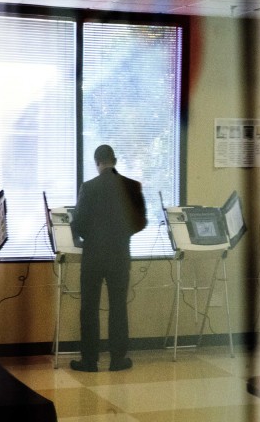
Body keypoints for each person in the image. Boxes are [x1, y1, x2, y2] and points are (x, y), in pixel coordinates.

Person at [70, 145, 147, 372]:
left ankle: (89, 361)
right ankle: (117, 359)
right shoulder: (132, 186)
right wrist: (122, 234)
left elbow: (79, 223)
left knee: (89, 308)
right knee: (118, 307)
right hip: (120, 255)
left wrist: (92, 236)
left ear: (97, 162)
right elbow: (141, 222)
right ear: (115, 159)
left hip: (93, 255)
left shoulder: (88, 187)